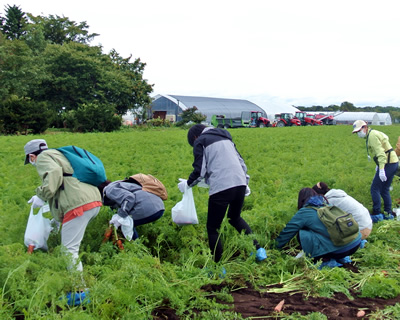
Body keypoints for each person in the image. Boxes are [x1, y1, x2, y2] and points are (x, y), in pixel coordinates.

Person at [177, 124, 267, 263]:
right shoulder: (226, 137)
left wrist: (187, 184)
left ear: (195, 137)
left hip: (222, 188)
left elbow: (200, 171)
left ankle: (218, 266)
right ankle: (259, 250)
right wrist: (245, 183)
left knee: (213, 228)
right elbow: (241, 163)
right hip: (240, 184)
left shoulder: (201, 141)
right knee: (234, 218)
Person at [24, 139, 102, 273]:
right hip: (92, 200)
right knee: (72, 247)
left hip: (78, 204)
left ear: (32, 156)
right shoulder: (58, 154)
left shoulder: (42, 157)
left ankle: (79, 290)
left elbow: (54, 174)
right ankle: (78, 286)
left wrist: (41, 196)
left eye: (31, 160)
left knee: (68, 250)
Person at [275, 188, 362, 268]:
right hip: (356, 243)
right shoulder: (328, 205)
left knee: (302, 233)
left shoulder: (305, 211)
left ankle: (325, 260)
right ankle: (342, 258)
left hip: (340, 251)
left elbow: (289, 231)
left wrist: (275, 246)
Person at [352, 120, 399, 221]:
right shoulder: (373, 133)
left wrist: (381, 169)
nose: (358, 134)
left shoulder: (372, 136)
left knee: (375, 188)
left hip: (388, 163)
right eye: (356, 132)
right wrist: (379, 166)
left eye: (359, 131)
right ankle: (388, 213)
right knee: (384, 189)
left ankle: (376, 213)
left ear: (365, 127)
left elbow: (381, 154)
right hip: (393, 162)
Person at [99, 178, 165, 240]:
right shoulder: (115, 185)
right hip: (158, 206)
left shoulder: (109, 190)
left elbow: (129, 198)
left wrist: (121, 216)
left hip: (148, 207)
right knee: (126, 223)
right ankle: (133, 246)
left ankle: (135, 249)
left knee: (123, 224)